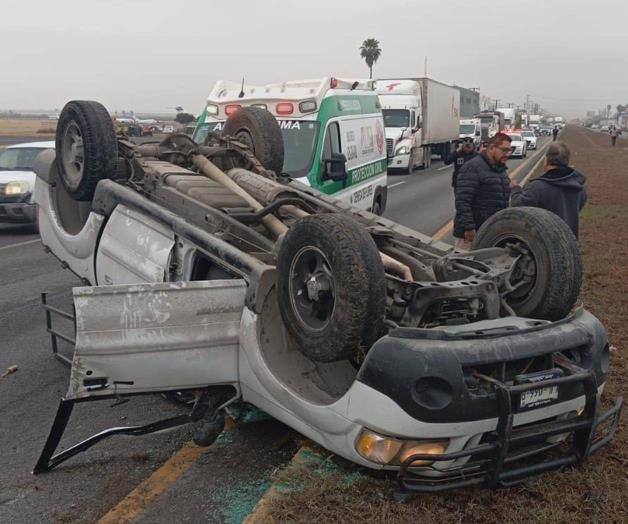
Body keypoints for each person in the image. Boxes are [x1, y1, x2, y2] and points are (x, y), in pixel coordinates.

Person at [510, 142, 586, 238]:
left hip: (544, 245)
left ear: (547, 160)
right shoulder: (579, 189)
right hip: (568, 245)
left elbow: (517, 205)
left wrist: (515, 189)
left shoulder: (537, 188)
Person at [453, 133, 513, 250]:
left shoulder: (500, 170)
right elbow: (462, 201)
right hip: (471, 235)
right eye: (504, 150)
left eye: (509, 150)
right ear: (491, 148)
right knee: (465, 266)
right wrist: (469, 228)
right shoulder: (472, 168)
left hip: (490, 233)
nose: (507, 154)